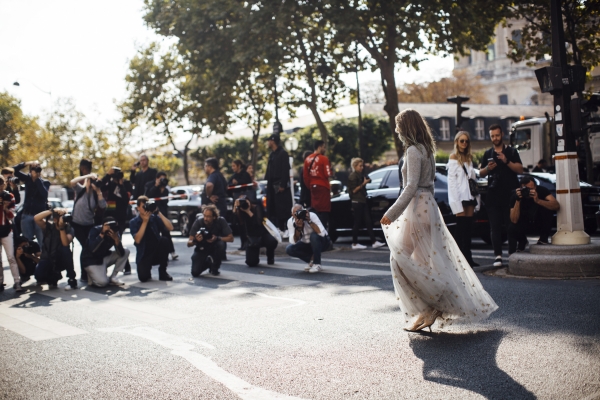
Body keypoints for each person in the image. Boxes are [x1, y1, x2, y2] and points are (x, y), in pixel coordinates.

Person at [380, 109, 498, 332]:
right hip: (427, 206)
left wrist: (392, 213)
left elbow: (411, 186)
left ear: (406, 127)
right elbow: (430, 186)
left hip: (417, 206)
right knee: (422, 263)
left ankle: (431, 305)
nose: (396, 130)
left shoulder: (414, 151)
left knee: (400, 260)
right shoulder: (428, 150)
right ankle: (430, 306)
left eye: (398, 125)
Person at [479, 124, 523, 267]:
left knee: (511, 225)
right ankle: (497, 255)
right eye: (492, 136)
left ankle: (512, 254)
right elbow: (480, 173)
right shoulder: (488, 153)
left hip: (510, 194)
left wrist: (506, 161)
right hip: (493, 195)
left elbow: (520, 170)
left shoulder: (511, 151)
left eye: (497, 135)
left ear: (502, 134)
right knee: (495, 227)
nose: (495, 138)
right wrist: (488, 168)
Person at [447, 131, 480, 267]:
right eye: (462, 141)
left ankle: (468, 258)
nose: (464, 144)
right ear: (456, 142)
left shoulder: (469, 158)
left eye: (466, 141)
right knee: (460, 230)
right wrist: (455, 202)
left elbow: (472, 179)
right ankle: (457, 259)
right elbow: (452, 182)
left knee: (468, 229)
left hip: (469, 196)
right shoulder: (453, 157)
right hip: (459, 198)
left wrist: (476, 198)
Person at [70, 161, 107, 282]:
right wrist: (88, 176)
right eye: (91, 182)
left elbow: (103, 206)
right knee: (85, 246)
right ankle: (84, 274)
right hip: (76, 223)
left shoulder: (96, 194)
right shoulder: (80, 190)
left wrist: (98, 190)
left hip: (88, 224)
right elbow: (72, 182)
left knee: (88, 247)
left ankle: (87, 272)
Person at [508, 176, 560, 253]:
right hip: (526, 224)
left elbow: (556, 206)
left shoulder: (542, 190)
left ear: (535, 186)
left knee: (547, 207)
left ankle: (543, 238)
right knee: (511, 228)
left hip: (539, 222)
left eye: (532, 188)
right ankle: (522, 241)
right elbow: (514, 220)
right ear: (521, 188)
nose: (530, 191)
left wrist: (538, 200)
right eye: (527, 189)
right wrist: (518, 200)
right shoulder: (516, 196)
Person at [129, 196, 174, 282]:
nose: (146, 208)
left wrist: (158, 212)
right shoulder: (133, 222)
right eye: (143, 206)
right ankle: (147, 269)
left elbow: (170, 227)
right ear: (138, 208)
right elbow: (137, 240)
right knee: (143, 278)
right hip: (144, 254)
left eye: (147, 205)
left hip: (156, 251)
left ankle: (163, 271)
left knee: (164, 240)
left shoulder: (154, 218)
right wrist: (145, 222)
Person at [347, 158, 386, 250]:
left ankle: (374, 241)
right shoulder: (353, 176)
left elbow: (369, 181)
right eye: (360, 166)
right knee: (357, 222)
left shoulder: (360, 175)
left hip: (362, 200)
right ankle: (355, 243)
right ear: (355, 166)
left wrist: (366, 179)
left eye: (362, 165)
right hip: (357, 201)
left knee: (368, 222)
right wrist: (363, 183)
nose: (362, 167)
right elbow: (353, 191)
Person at [101, 167, 134, 274]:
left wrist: (120, 184)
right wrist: (108, 175)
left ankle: (126, 266)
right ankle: (123, 265)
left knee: (118, 239)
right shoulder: (110, 184)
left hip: (121, 217)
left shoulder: (127, 184)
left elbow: (126, 199)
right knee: (109, 240)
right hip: (109, 215)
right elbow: (100, 187)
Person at [33, 208, 77, 289]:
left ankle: (71, 278)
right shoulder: (48, 227)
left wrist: (61, 228)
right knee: (39, 276)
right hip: (48, 258)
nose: (64, 220)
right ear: (55, 219)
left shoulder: (69, 229)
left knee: (66, 250)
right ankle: (53, 276)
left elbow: (65, 243)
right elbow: (36, 218)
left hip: (60, 259)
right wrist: (52, 211)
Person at [80, 217, 130, 287]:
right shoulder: (95, 230)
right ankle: (92, 277)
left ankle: (113, 277)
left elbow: (121, 254)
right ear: (103, 225)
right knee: (103, 283)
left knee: (126, 251)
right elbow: (92, 249)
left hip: (103, 257)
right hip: (91, 261)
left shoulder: (115, 232)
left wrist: (116, 240)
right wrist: (102, 234)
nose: (111, 228)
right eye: (109, 225)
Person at [188, 204, 234, 276]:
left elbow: (231, 238)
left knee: (221, 244)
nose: (205, 218)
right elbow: (189, 243)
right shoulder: (199, 222)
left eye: (208, 216)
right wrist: (195, 240)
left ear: (214, 217)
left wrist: (217, 238)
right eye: (204, 216)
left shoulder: (220, 221)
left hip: (215, 246)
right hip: (202, 247)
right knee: (195, 272)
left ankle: (215, 266)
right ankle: (208, 263)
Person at [13, 160, 50, 244]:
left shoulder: (45, 182)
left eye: (38, 169)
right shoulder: (27, 179)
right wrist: (26, 163)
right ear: (30, 171)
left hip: (39, 216)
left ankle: (42, 257)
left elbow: (44, 194)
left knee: (42, 242)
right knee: (27, 242)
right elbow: (13, 170)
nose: (37, 171)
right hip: (26, 215)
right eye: (34, 169)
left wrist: (37, 180)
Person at [285, 204, 330, 273]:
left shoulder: (312, 216)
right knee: (289, 249)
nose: (299, 215)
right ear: (292, 215)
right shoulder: (290, 221)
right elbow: (293, 241)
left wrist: (309, 221)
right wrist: (298, 228)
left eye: (300, 212)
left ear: (304, 211)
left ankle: (317, 264)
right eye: (296, 213)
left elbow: (322, 233)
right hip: (306, 244)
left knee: (313, 236)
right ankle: (312, 261)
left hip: (322, 242)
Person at [234, 196, 277, 267]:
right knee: (251, 263)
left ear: (249, 201)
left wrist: (248, 211)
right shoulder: (240, 211)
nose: (244, 204)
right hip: (251, 237)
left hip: (262, 234)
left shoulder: (256, 208)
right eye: (242, 202)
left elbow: (258, 223)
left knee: (272, 241)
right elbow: (234, 222)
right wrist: (235, 208)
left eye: (246, 201)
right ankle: (255, 256)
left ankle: (270, 255)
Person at [264, 133, 293, 237]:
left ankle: (285, 228)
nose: (268, 142)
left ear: (273, 141)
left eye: (269, 140)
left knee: (283, 208)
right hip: (272, 185)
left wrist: (283, 185)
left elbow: (285, 170)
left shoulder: (282, 153)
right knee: (274, 208)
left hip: (280, 185)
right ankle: (279, 228)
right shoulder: (272, 154)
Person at [146, 171, 177, 260]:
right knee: (153, 233)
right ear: (157, 179)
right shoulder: (150, 186)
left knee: (166, 233)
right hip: (152, 213)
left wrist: (163, 190)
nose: (162, 181)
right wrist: (156, 186)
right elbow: (148, 196)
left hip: (162, 213)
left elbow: (165, 202)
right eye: (161, 179)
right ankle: (154, 252)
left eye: (164, 179)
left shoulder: (165, 190)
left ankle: (172, 251)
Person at [303, 140, 333, 229]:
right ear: (319, 147)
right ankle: (323, 231)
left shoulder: (307, 159)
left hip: (313, 186)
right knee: (324, 210)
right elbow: (328, 173)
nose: (325, 149)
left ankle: (316, 229)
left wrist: (310, 185)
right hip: (323, 186)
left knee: (315, 209)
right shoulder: (324, 159)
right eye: (324, 147)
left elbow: (305, 176)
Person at [0, 183, 21, 292]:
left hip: (7, 230)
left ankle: (17, 281)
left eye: (1, 185)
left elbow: (12, 216)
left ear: (3, 185)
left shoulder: (9, 196)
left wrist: (5, 207)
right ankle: (0, 282)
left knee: (11, 257)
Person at [228, 160, 254, 250]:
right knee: (239, 223)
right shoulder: (233, 176)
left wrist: (237, 183)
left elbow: (246, 184)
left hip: (245, 201)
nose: (233, 168)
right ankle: (243, 243)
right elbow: (229, 185)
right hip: (236, 202)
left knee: (246, 223)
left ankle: (248, 242)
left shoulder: (245, 175)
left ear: (239, 166)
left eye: (234, 166)